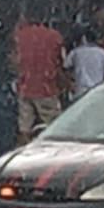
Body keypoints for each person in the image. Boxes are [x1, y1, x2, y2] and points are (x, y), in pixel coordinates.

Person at [13, 8, 65, 140]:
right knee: (54, 127)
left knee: (24, 127)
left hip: (25, 87)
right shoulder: (54, 36)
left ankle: (22, 152)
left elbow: (14, 60)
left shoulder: (19, 36)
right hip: (46, 87)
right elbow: (60, 63)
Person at [65, 26, 104, 98]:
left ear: (84, 38)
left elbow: (65, 67)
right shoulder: (102, 53)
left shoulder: (76, 52)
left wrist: (70, 82)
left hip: (80, 90)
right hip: (97, 90)